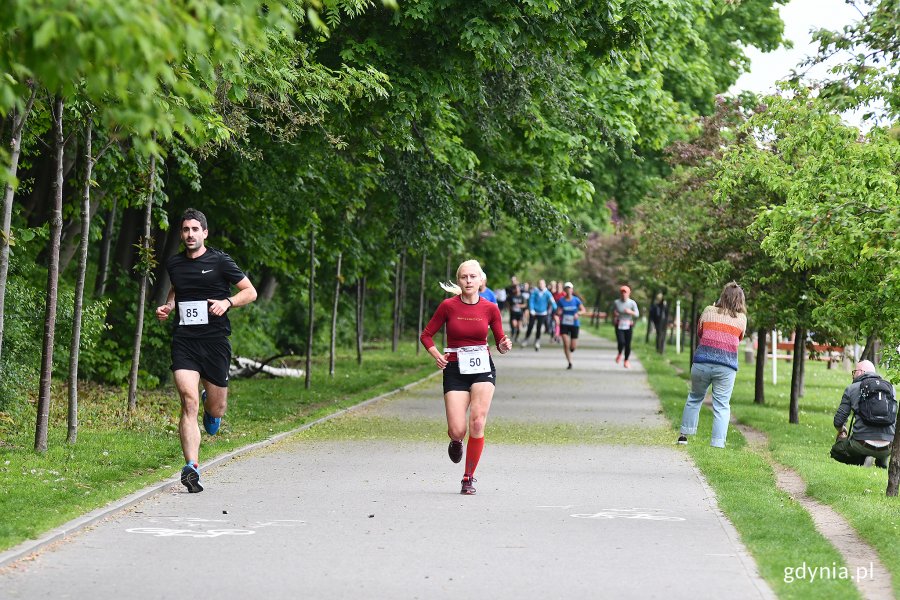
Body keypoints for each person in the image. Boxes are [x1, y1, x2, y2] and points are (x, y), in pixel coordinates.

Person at [156, 208, 258, 493]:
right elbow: (178, 290)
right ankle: (192, 467)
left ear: (204, 233)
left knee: (216, 410)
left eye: (194, 230)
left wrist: (228, 302)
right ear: (181, 234)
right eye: (185, 230)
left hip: (215, 342)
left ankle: (211, 405)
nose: (190, 234)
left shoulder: (220, 261)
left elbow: (250, 291)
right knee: (188, 402)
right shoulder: (175, 264)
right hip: (185, 340)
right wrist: (168, 306)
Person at [420, 260, 513, 495]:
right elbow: (427, 335)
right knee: (457, 429)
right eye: (464, 277)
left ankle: (468, 477)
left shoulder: (490, 308)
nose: (468, 281)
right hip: (455, 369)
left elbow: (500, 341)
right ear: (459, 280)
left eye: (473, 277)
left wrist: (504, 345)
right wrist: (436, 355)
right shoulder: (448, 306)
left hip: (482, 368)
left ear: (481, 280)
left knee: (478, 422)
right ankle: (456, 442)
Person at [677, 282, 747, 448]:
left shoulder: (708, 311)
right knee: (722, 405)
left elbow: (700, 333)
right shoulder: (741, 319)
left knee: (694, 397)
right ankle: (717, 443)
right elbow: (739, 338)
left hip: (702, 362)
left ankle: (684, 436)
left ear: (722, 295)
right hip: (726, 366)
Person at [831, 360, 896, 469]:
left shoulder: (852, 388)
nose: (853, 374)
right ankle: (882, 462)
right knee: (882, 437)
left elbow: (838, 421)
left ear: (860, 372)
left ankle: (861, 461)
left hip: (861, 444)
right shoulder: (891, 388)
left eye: (854, 371)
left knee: (837, 450)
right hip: (888, 446)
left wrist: (842, 431)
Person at [557, 282, 586, 369]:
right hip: (564, 324)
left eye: (570, 288)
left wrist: (578, 313)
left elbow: (583, 310)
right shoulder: (561, 300)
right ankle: (569, 362)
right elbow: (558, 312)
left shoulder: (576, 300)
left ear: (572, 290)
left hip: (574, 324)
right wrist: (559, 313)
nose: (568, 290)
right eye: (567, 288)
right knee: (566, 344)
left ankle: (571, 349)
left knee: (572, 347)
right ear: (565, 290)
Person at [521, 279, 557, 351]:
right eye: (540, 284)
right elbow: (531, 301)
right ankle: (526, 339)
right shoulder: (535, 292)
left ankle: (537, 341)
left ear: (545, 284)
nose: (541, 285)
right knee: (530, 326)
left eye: (542, 284)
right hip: (534, 312)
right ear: (538, 284)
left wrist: (555, 308)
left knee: (539, 327)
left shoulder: (547, 293)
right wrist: (531, 309)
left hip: (542, 313)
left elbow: (552, 301)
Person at [613, 285, 639, 368]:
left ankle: (626, 360)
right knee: (621, 342)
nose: (624, 294)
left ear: (629, 293)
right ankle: (620, 353)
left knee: (628, 344)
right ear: (620, 293)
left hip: (628, 324)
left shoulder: (632, 303)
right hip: (619, 324)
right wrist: (615, 314)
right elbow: (614, 311)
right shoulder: (616, 302)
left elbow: (637, 314)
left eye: (625, 292)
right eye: (622, 292)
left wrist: (630, 312)